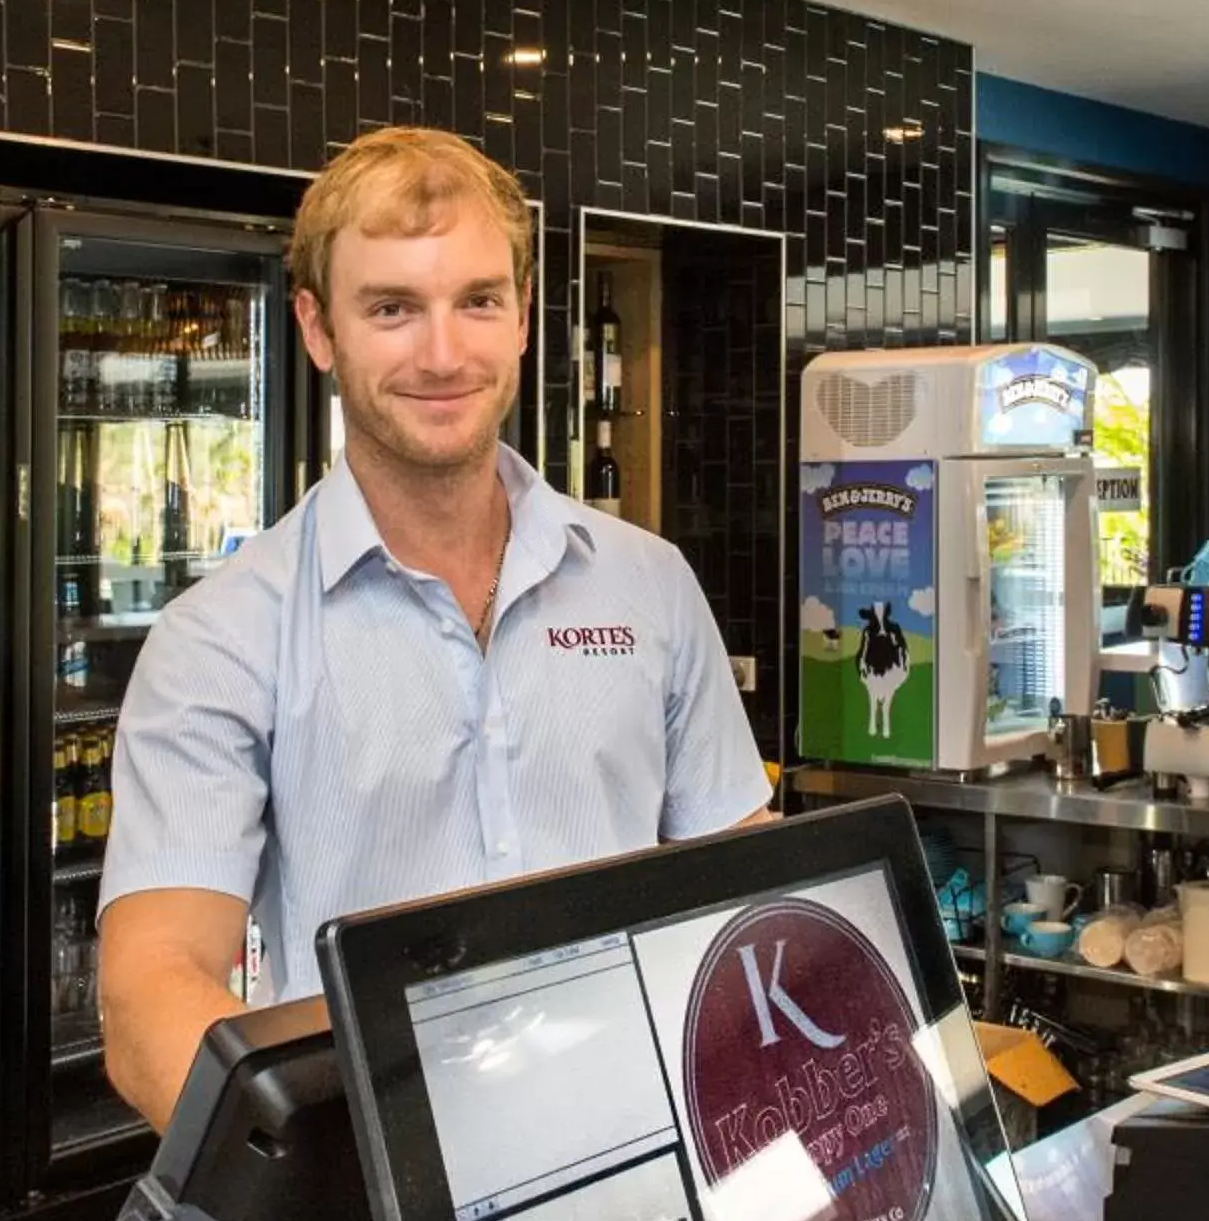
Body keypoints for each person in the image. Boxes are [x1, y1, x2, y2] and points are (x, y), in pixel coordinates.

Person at [97, 127, 772, 1131]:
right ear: (320, 330)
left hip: (650, 1176)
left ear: (524, 318)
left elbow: (747, 883)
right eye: (393, 309)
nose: (445, 352)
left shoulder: (649, 587)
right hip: (376, 1214)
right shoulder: (222, 637)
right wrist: (344, 1165)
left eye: (478, 301)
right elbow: (151, 989)